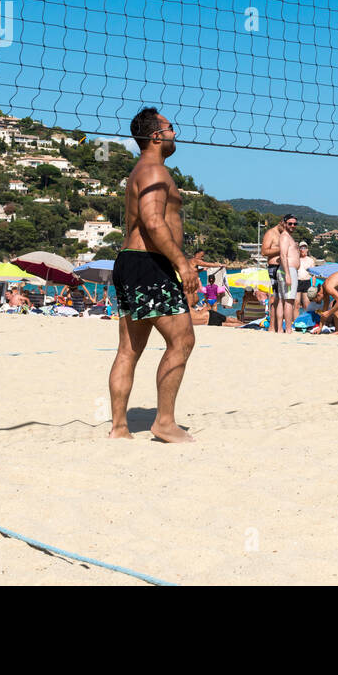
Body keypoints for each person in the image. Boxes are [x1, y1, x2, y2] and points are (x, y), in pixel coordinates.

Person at [107, 108, 198, 443]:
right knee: (182, 340)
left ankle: (119, 427)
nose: (175, 132)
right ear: (156, 136)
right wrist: (182, 263)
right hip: (149, 264)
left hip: (131, 261)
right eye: (171, 127)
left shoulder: (140, 170)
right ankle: (164, 422)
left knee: (129, 349)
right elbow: (153, 222)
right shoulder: (155, 171)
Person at [261, 214, 299, 334]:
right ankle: (273, 327)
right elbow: (264, 251)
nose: (292, 226)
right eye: (289, 223)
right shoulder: (271, 233)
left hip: (282, 267)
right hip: (275, 267)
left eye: (294, 224)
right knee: (276, 298)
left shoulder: (285, 235)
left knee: (281, 299)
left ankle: (278, 328)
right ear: (282, 222)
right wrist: (283, 249)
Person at [296, 242, 316, 313]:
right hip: (297, 281)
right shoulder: (296, 259)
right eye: (301, 248)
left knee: (306, 304)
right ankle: (295, 321)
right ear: (299, 249)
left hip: (307, 282)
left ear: (307, 249)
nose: (303, 250)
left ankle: (305, 321)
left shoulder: (310, 260)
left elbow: (313, 275)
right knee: (296, 304)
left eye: (304, 248)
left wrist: (313, 286)